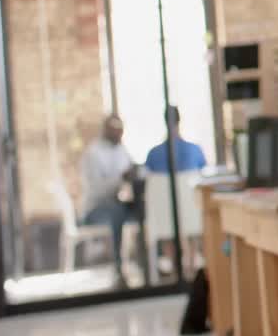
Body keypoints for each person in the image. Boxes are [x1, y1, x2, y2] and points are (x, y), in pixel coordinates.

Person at [81, 113, 137, 284]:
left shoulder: (121, 149)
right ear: (106, 129)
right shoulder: (93, 153)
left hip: (117, 204)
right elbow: (97, 189)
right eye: (116, 130)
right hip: (95, 209)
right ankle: (119, 268)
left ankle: (148, 264)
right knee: (116, 212)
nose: (119, 134)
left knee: (141, 209)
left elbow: (131, 171)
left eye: (121, 130)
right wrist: (121, 179)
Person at [144, 106, 207, 174]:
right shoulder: (195, 150)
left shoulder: (153, 154)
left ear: (165, 122)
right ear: (179, 120)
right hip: (188, 184)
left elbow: (146, 176)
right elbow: (204, 175)